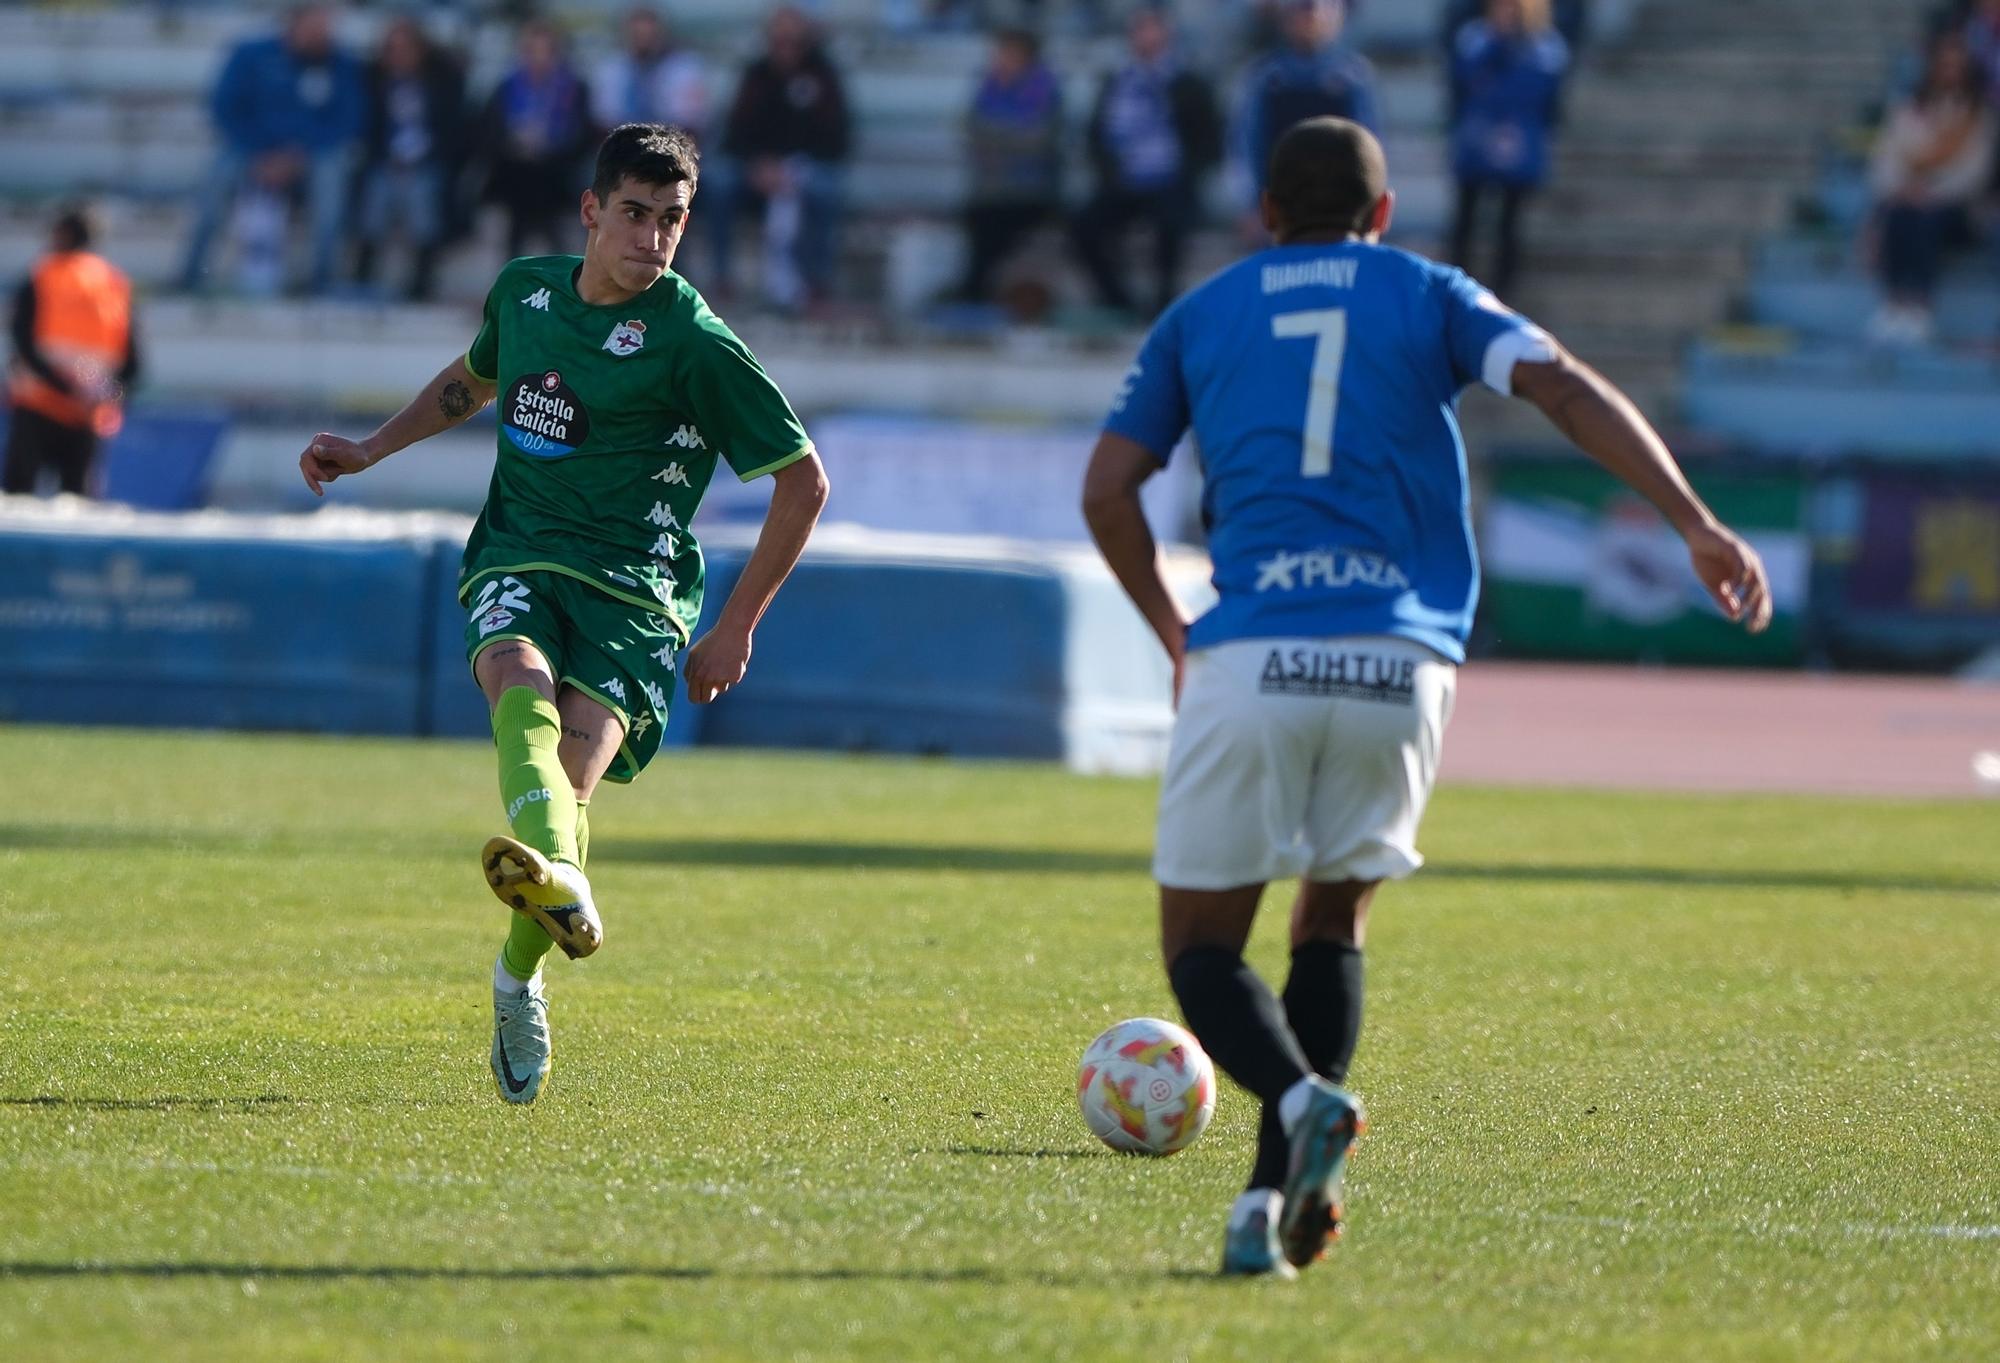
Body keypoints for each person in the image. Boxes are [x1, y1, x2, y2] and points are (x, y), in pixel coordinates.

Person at [1081, 117, 1772, 1277]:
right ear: (1382, 215)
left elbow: (1109, 487)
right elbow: (1557, 385)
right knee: (1331, 921)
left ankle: (1298, 1102)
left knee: (1202, 949)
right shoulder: (1428, 291)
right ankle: (1264, 1202)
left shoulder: (1203, 312)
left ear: (1262, 213)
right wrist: (1691, 520)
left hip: (1253, 651)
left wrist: (1171, 630)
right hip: (1402, 663)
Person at [296, 123, 830, 1105]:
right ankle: (558, 910)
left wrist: (737, 624)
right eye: (634, 215)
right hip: (522, 552)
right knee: (517, 688)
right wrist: (371, 449)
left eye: (672, 221)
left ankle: (515, 975)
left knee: (564, 802)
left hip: (635, 593)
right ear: (591, 210)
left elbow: (803, 483)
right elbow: (472, 380)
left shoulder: (696, 342)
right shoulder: (525, 293)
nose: (653, 240)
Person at [178, 3, 365, 296]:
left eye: (327, 26)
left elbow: (348, 120)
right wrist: (261, 151)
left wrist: (297, 154)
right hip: (251, 150)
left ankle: (322, 279)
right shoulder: (250, 54)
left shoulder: (341, 62)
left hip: (309, 155)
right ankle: (190, 275)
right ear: (295, 22)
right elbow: (225, 108)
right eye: (315, 25)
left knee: (332, 180)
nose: (321, 33)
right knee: (216, 183)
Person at [1071, 7, 1224, 319]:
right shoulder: (1116, 81)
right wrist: (1110, 173)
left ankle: (1164, 302)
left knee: (1170, 223)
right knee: (1083, 225)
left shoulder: (1189, 83)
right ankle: (1118, 300)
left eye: (1151, 30)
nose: (1145, 38)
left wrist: (1187, 174)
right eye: (1139, 30)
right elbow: (1096, 136)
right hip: (1123, 183)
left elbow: (1209, 140)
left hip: (1172, 182)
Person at [708, 6, 852, 311]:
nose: (785, 47)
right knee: (717, 184)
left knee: (825, 191)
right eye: (779, 40)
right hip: (756, 170)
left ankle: (816, 284)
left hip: (807, 168)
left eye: (793, 41)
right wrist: (758, 165)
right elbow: (735, 132)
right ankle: (721, 278)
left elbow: (838, 138)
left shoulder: (824, 75)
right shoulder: (755, 74)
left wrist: (792, 169)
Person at [1866, 28, 1995, 345]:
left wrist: (1930, 194)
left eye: (1956, 65)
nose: (1949, 72)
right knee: (1897, 213)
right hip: (1906, 198)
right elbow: (1887, 158)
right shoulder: (1908, 108)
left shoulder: (1978, 116)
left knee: (1927, 217)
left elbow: (1973, 172)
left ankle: (1921, 307)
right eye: (1944, 64)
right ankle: (1895, 304)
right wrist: (1902, 190)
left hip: (1956, 209)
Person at [5, 205, 139, 497]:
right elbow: (133, 361)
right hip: (88, 409)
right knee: (78, 505)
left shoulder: (42, 274)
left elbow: (21, 339)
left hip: (38, 402)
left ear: (62, 234)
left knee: (17, 500)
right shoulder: (115, 283)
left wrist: (60, 386)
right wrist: (110, 397)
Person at [1445, 0, 1570, 299]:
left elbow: (1547, 102)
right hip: (1476, 141)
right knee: (1466, 219)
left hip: (1520, 145)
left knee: (1509, 224)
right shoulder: (1474, 40)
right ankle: (1457, 289)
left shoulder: (1546, 50)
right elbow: (1461, 87)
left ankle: (1504, 292)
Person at [1232, 0, 1378, 237]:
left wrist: (1366, 201)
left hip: (1339, 210)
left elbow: (1369, 146)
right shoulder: (1267, 79)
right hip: (1281, 207)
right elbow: (1247, 144)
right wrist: (1251, 204)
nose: (1310, 20)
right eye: (1302, 11)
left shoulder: (1352, 78)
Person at [351, 15, 466, 301]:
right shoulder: (373, 81)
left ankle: (421, 280)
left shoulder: (441, 83)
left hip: (428, 161)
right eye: (393, 49)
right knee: (375, 202)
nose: (399, 56)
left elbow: (453, 129)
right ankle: (363, 275)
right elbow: (366, 127)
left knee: (423, 202)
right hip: (383, 160)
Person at [956, 28, 1065, 306]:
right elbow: (972, 131)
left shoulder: (1043, 89)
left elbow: (1039, 140)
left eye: (1009, 53)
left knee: (994, 224)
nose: (1001, 59)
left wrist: (998, 138)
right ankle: (976, 291)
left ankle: (976, 292)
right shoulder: (988, 86)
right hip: (993, 188)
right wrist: (1012, 136)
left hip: (1033, 190)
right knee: (981, 217)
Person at [476, 19, 599, 261]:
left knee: (555, 234)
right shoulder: (508, 86)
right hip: (515, 171)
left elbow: (582, 133)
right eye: (533, 51)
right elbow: (489, 129)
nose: (539, 58)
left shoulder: (573, 88)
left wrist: (551, 146)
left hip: (556, 173)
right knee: (515, 234)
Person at [591, 6, 712, 142]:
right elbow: (604, 118)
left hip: (671, 146)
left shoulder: (685, 68)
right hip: (622, 148)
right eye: (637, 35)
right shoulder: (611, 68)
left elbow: (690, 121)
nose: (643, 41)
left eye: (649, 35)